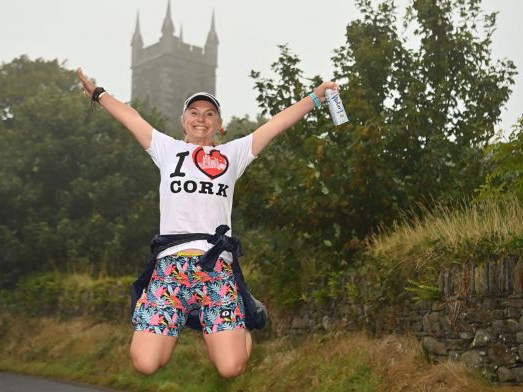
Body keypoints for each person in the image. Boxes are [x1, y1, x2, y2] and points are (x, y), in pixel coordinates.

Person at [77, 67, 337, 378]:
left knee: (231, 368)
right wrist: (98, 94)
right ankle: (198, 317)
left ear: (220, 125)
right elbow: (131, 117)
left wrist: (316, 97)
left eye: (210, 113)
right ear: (183, 121)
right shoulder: (168, 150)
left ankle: (241, 319)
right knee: (145, 363)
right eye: (194, 112)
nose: (202, 118)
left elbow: (276, 125)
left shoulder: (233, 154)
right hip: (170, 272)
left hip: (216, 271)